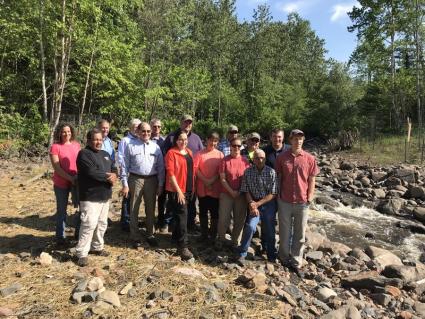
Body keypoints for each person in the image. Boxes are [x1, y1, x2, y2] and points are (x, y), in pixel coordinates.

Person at [275, 129, 319, 270]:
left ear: (303, 140)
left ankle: (296, 259)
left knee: (300, 234)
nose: (298, 141)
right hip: (285, 200)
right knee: (284, 232)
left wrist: (310, 196)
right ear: (290, 140)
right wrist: (278, 195)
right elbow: (279, 177)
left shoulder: (309, 158)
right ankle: (283, 257)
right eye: (295, 139)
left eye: (300, 138)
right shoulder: (282, 157)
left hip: (302, 201)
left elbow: (312, 179)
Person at [75, 128, 118, 267]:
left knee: (101, 224)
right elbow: (91, 172)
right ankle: (81, 253)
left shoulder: (105, 154)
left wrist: (115, 175)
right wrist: (109, 177)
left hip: (104, 196)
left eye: (100, 139)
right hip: (90, 196)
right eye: (95, 139)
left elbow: (114, 167)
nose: (98, 142)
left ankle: (97, 247)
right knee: (88, 224)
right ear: (89, 140)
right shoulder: (84, 154)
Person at [120, 122, 165, 248]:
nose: (146, 133)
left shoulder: (156, 147)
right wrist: (125, 184)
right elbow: (124, 166)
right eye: (143, 131)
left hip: (152, 180)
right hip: (135, 179)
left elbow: (160, 167)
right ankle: (134, 236)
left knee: (150, 208)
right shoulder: (131, 146)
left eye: (148, 131)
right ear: (138, 132)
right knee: (133, 208)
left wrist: (161, 184)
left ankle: (150, 234)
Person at [163, 114, 203, 231]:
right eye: (185, 122)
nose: (188, 124)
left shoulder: (196, 138)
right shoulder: (171, 136)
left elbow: (200, 154)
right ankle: (170, 225)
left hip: (190, 179)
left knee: (189, 207)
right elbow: (165, 153)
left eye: (190, 122)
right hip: (175, 179)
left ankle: (189, 225)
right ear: (181, 123)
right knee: (174, 207)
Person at [236, 149, 277, 265]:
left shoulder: (271, 172)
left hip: (267, 203)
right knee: (250, 227)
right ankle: (242, 253)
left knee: (269, 228)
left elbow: (273, 193)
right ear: (253, 159)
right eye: (257, 158)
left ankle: (271, 254)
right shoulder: (248, 172)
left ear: (265, 159)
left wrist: (258, 204)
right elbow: (245, 190)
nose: (260, 160)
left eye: (262, 158)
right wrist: (251, 204)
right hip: (253, 201)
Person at [164, 129, 196, 260]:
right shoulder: (171, 153)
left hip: (188, 189)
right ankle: (183, 246)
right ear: (176, 140)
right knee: (183, 216)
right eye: (180, 139)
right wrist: (179, 191)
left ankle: (175, 238)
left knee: (178, 215)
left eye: (185, 140)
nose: (183, 142)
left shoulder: (189, 152)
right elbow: (171, 174)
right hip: (177, 190)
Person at [49, 123, 81, 246]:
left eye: (68, 131)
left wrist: (77, 178)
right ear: (59, 133)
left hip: (76, 182)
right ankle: (60, 237)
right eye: (63, 132)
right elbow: (57, 167)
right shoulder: (55, 147)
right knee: (62, 211)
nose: (66, 134)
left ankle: (78, 234)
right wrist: (70, 178)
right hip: (61, 183)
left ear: (71, 132)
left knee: (80, 208)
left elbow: (80, 162)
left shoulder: (76, 145)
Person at [217, 137, 250, 248]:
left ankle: (235, 241)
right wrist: (231, 191)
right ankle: (221, 239)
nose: (236, 148)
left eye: (238, 146)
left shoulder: (245, 161)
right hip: (226, 193)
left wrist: (239, 191)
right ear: (230, 147)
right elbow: (222, 179)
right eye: (234, 145)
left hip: (241, 195)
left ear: (241, 147)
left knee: (239, 219)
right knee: (223, 218)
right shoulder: (224, 160)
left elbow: (247, 179)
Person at [194, 132, 224, 242]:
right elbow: (195, 169)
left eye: (215, 141)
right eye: (211, 140)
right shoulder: (199, 154)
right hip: (202, 188)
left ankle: (213, 235)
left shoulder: (220, 155)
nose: (213, 143)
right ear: (206, 140)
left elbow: (221, 171)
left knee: (215, 213)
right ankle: (204, 234)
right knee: (203, 211)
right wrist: (206, 181)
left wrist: (211, 181)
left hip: (215, 188)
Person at [117, 118, 141, 232]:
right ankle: (125, 222)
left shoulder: (141, 139)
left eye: (138, 126)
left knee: (135, 199)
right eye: (135, 126)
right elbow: (121, 157)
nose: (137, 128)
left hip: (138, 174)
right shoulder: (125, 141)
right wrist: (123, 176)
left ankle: (133, 220)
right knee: (127, 197)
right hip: (128, 172)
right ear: (131, 128)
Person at [150, 118, 167, 232]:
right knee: (149, 199)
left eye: (159, 126)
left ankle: (161, 220)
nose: (156, 129)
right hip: (149, 174)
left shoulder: (164, 141)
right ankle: (150, 221)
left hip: (161, 173)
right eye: (154, 126)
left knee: (162, 199)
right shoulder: (145, 139)